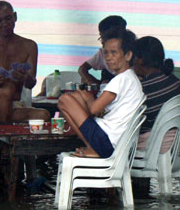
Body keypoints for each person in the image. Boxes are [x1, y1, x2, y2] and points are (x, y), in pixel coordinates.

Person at [58, 29, 144, 158]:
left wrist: (88, 98)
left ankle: (93, 149)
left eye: (114, 53)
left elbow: (94, 109)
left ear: (128, 55)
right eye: (106, 53)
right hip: (114, 142)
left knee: (65, 100)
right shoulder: (131, 78)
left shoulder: (120, 80)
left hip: (108, 142)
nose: (108, 57)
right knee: (76, 97)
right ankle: (92, 148)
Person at [0, 0, 49, 124]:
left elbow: (31, 84)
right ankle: (2, 141)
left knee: (43, 115)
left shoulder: (29, 46)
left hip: (14, 105)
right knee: (7, 90)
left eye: (8, 18)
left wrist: (25, 78)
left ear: (15, 17)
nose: (5, 24)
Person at [132, 36, 180, 148]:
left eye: (133, 57)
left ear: (140, 60)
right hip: (175, 139)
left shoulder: (143, 90)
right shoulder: (174, 81)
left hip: (151, 141)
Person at [78, 15, 127, 86]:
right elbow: (82, 69)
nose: (108, 57)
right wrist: (96, 83)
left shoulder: (130, 76)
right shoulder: (102, 53)